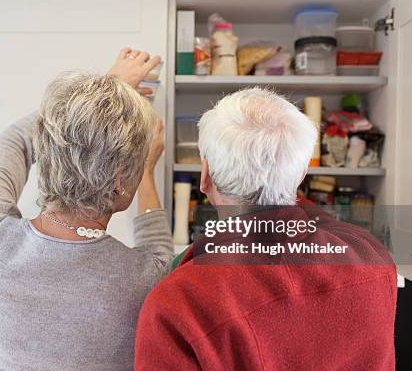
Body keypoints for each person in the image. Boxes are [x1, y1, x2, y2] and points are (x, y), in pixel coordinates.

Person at [135, 88, 397, 370]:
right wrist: (282, 175)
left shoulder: (179, 301)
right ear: (301, 174)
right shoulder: (370, 255)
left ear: (206, 176)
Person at [0, 48, 173, 370]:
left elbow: (15, 140)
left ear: (46, 148)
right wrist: (148, 172)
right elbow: (158, 247)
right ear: (122, 179)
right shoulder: (143, 281)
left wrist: (99, 94)